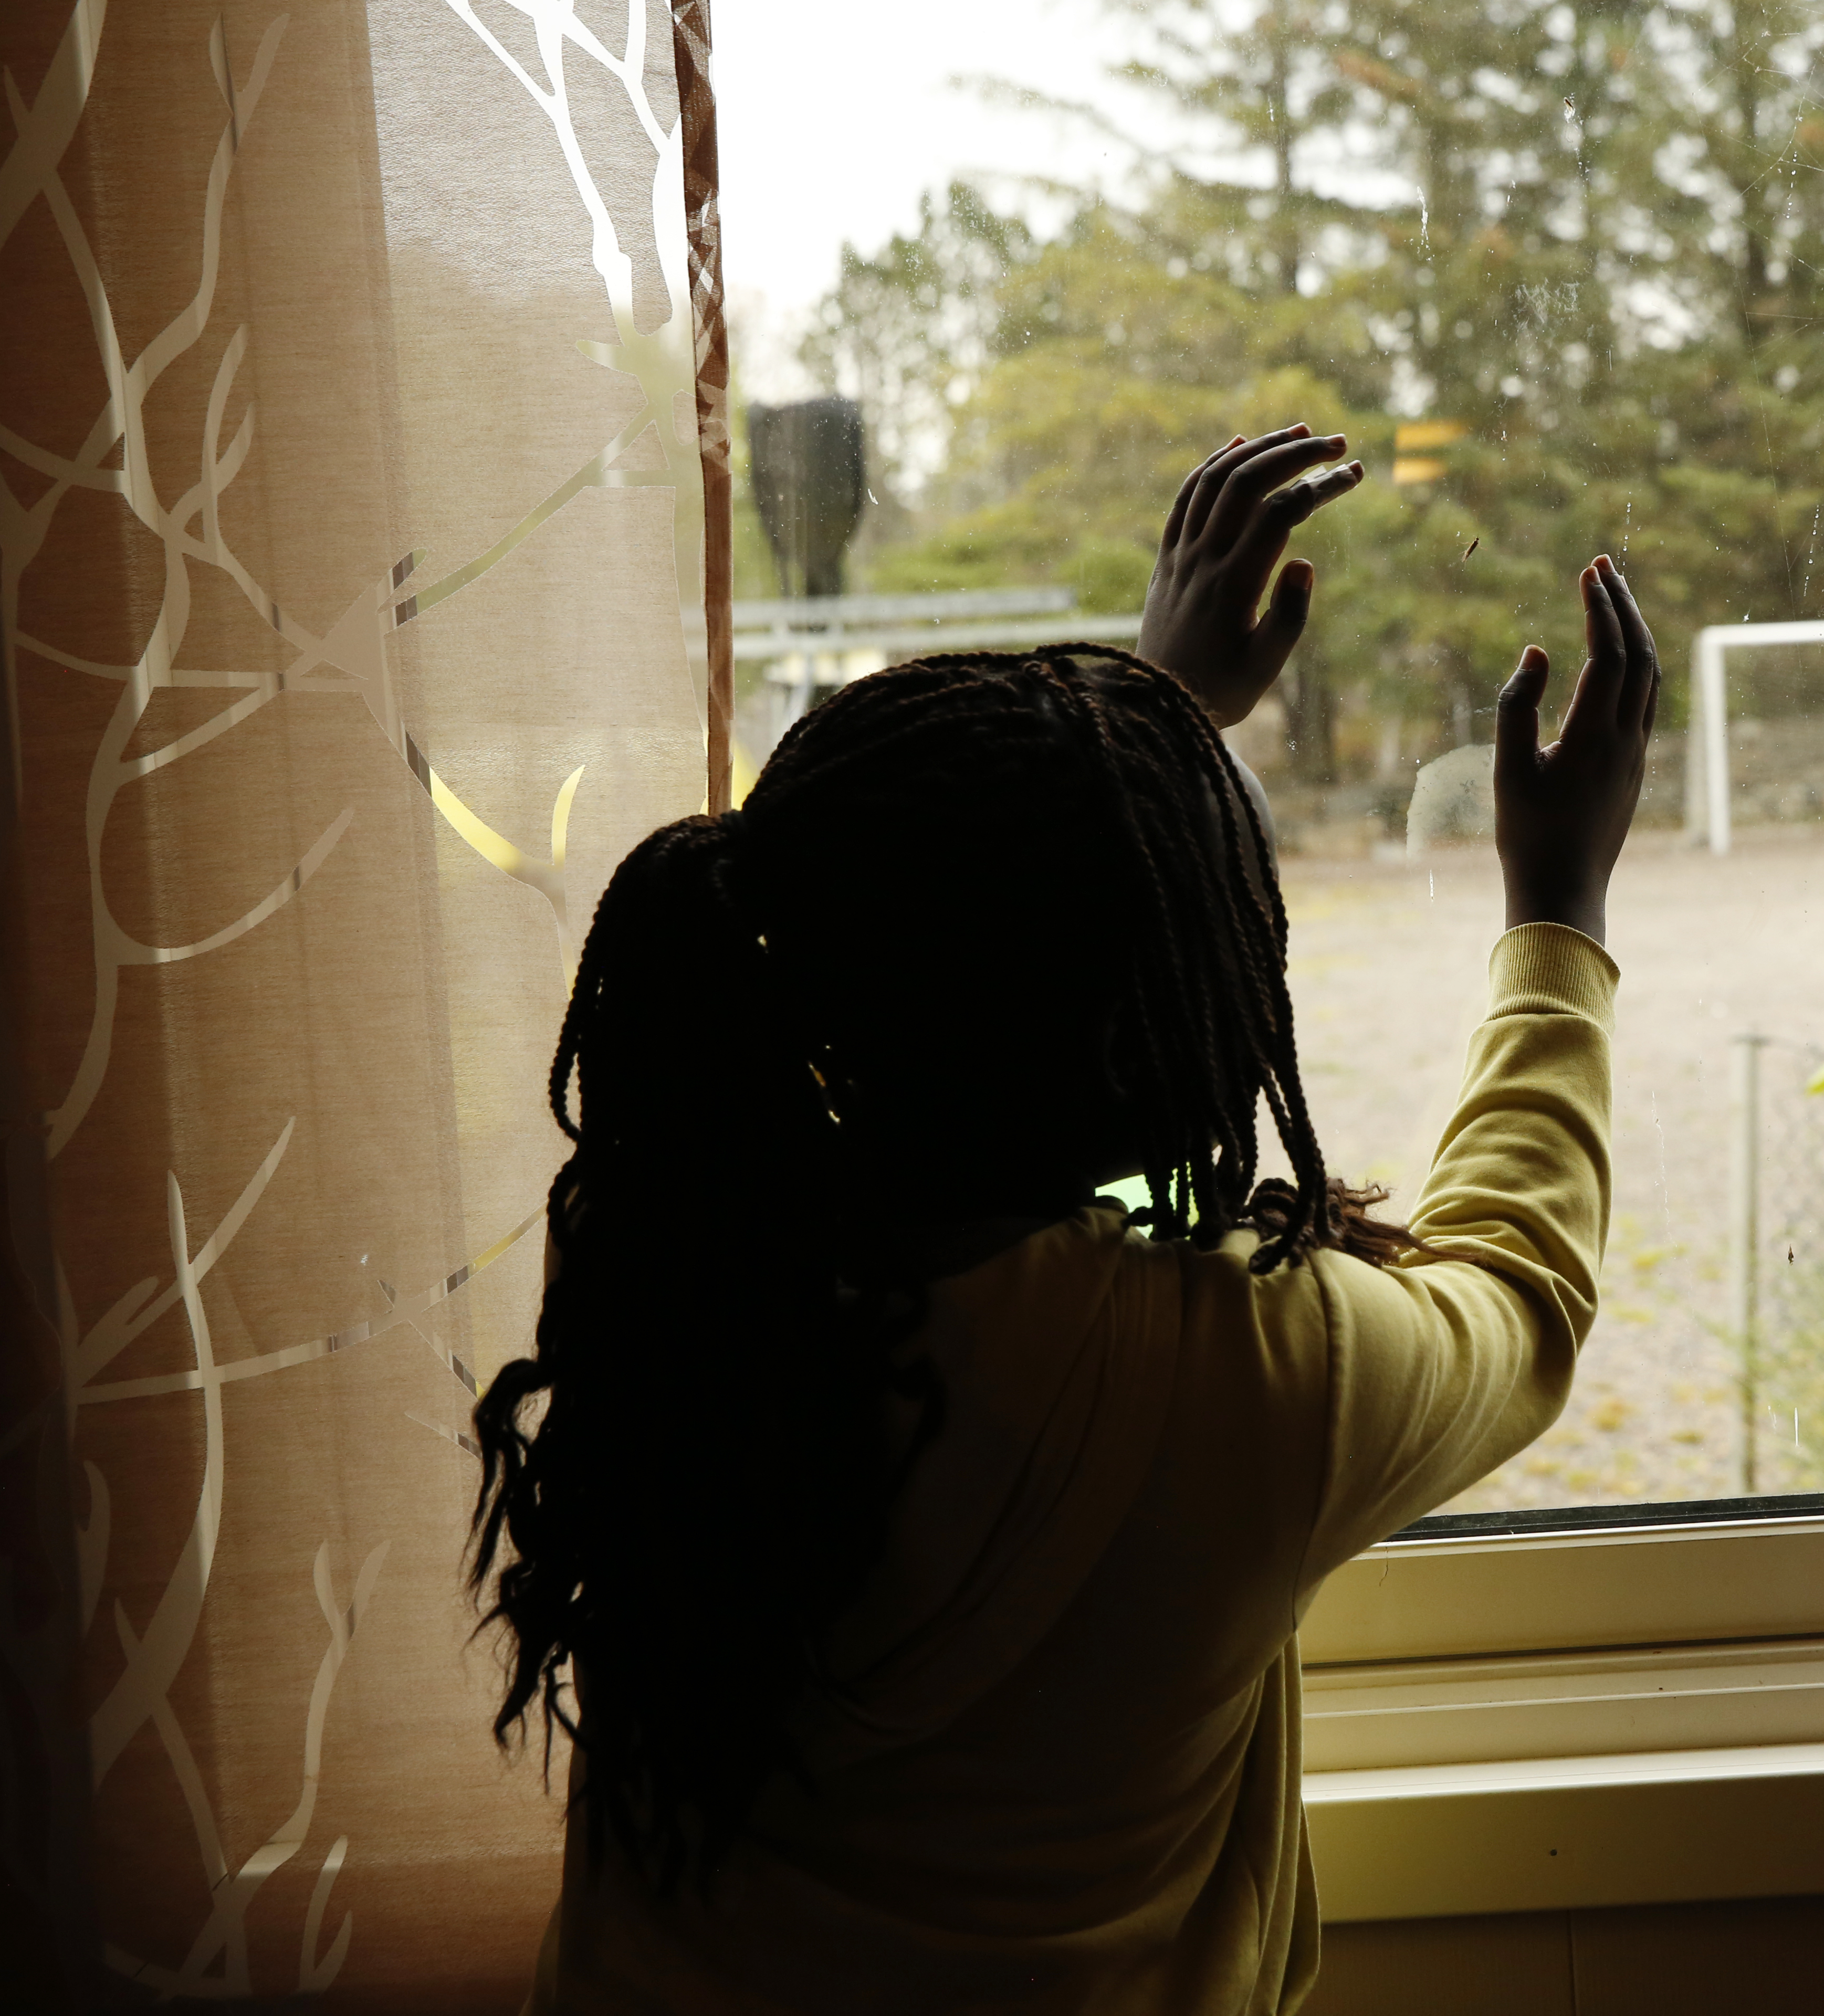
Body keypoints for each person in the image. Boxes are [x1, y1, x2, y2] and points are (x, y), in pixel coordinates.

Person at [472, 422, 1660, 2012]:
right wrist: (1558, 908)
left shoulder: (669, 1251)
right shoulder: (1234, 1372)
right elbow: (1515, 1295)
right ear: (1165, 1049)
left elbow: (961, 925)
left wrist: (1137, 722)